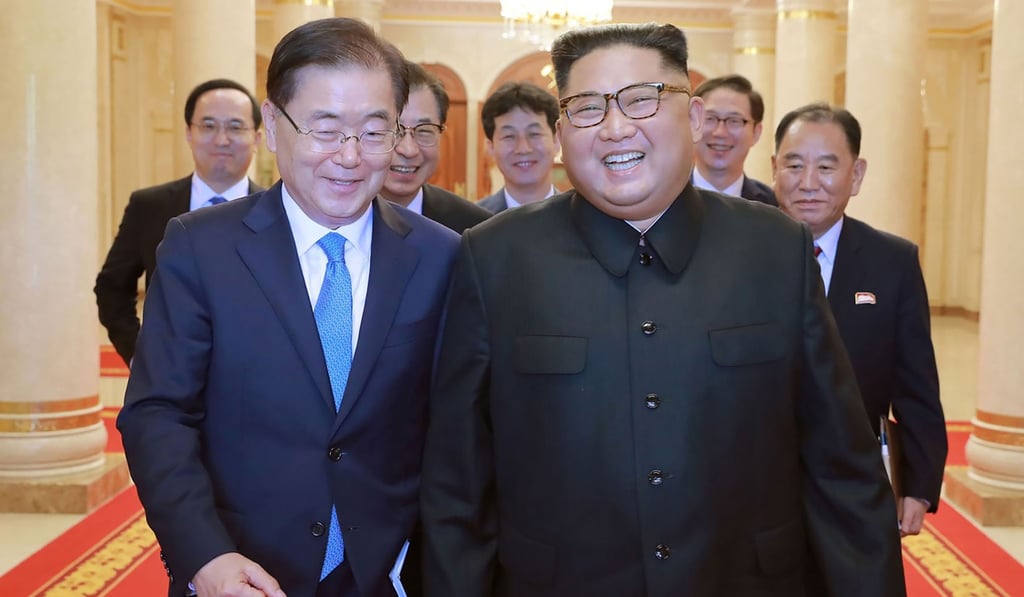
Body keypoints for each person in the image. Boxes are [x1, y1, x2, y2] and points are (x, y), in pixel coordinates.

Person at [420, 22, 905, 597]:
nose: (616, 127)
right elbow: (457, 483)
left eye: (643, 99)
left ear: (695, 118)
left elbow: (842, 469)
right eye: (587, 108)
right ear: (561, 132)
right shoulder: (494, 257)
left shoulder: (775, 249)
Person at [117, 18, 459, 597]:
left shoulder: (441, 256)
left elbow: (454, 427)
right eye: (325, 129)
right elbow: (159, 415)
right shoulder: (200, 248)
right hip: (242, 570)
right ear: (273, 126)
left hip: (388, 574)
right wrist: (206, 557)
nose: (350, 157)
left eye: (376, 132)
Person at [773, 102, 947, 538]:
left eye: (827, 167)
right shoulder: (733, 257)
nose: (808, 183)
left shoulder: (893, 262)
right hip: (755, 482)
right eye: (794, 165)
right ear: (774, 168)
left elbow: (917, 385)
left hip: (856, 479)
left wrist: (919, 486)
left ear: (857, 174)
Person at [94, 78, 264, 365]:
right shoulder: (149, 207)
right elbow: (111, 288)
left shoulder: (278, 212)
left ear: (257, 138)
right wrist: (140, 355)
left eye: (235, 127)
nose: (222, 140)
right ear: (189, 133)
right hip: (171, 384)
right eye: (208, 126)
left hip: (258, 383)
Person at [381, 61, 491, 232]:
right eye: (395, 130)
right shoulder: (333, 218)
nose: (409, 150)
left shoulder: (475, 228)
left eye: (424, 131)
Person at [692, 74, 776, 206]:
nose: (720, 132)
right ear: (692, 125)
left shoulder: (772, 205)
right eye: (710, 118)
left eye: (734, 121)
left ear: (756, 132)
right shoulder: (663, 198)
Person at [476, 82, 559, 213]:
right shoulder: (472, 222)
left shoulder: (584, 219)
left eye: (534, 134)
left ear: (556, 141)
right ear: (490, 147)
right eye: (509, 136)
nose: (523, 148)